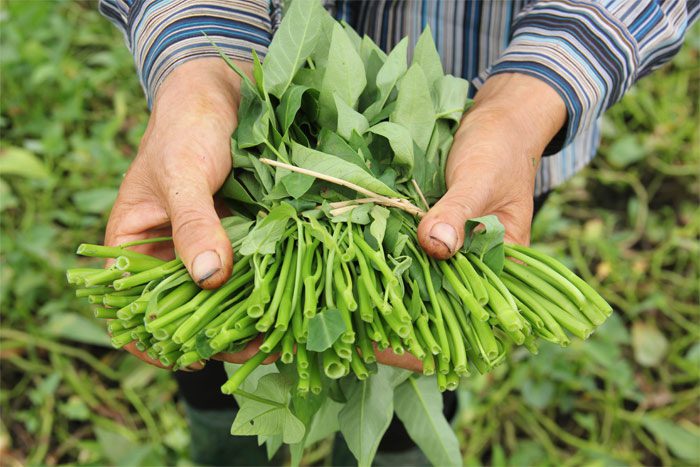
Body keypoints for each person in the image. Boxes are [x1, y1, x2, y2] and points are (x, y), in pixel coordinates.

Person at [98, 0, 698, 464]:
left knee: (431, 332)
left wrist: (526, 99)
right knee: (218, 338)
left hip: (479, 137)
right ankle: (225, 451)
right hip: (239, 129)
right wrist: (203, 65)